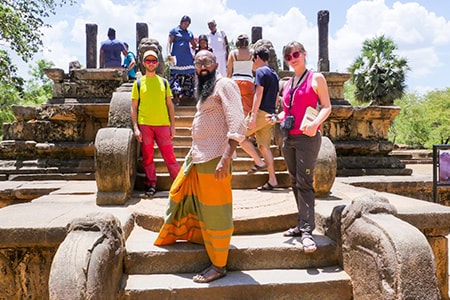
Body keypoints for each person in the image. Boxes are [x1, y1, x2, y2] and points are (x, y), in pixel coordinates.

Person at [154, 50, 246, 283]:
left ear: (216, 64)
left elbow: (237, 122)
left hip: (216, 158)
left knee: (217, 211)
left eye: (207, 62)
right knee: (182, 194)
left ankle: (219, 264)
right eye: (198, 63)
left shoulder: (224, 84)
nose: (202, 66)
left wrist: (226, 157)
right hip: (198, 156)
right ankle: (198, 236)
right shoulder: (206, 88)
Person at [273, 41, 331, 253]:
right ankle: (301, 223)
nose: (292, 59)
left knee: (305, 182)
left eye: (295, 54)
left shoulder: (316, 78)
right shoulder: (287, 83)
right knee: (295, 181)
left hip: (308, 138)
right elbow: (287, 112)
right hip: (289, 137)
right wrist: (276, 117)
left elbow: (327, 106)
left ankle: (307, 231)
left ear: (304, 54)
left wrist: (315, 124)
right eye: (288, 57)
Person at [130, 50, 180, 197]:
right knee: (147, 157)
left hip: (163, 124)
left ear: (157, 63)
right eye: (148, 61)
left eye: (153, 61)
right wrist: (135, 128)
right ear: (143, 64)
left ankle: (178, 183)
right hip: (145, 124)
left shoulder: (164, 82)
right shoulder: (138, 83)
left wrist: (173, 125)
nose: (151, 63)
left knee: (169, 156)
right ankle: (150, 184)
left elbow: (170, 105)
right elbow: (133, 107)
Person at [240, 47, 279, 191]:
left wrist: (254, 115)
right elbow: (276, 96)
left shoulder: (261, 72)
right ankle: (273, 180)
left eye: (253, 60)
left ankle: (258, 161)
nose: (253, 63)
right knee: (264, 147)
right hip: (270, 115)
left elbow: (259, 93)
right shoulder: (274, 74)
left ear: (257, 57)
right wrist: (274, 112)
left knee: (238, 134)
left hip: (261, 113)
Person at [167, 15, 197, 104]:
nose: (186, 25)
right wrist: (168, 53)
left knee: (190, 75)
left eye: (188, 24)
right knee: (175, 77)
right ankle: (176, 97)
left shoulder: (189, 33)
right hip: (176, 58)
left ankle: (185, 96)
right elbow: (169, 43)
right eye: (185, 23)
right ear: (181, 22)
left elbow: (194, 44)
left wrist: (196, 49)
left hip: (187, 58)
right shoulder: (174, 31)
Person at [226, 34, 254, 117]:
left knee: (234, 107)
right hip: (248, 81)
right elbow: (255, 68)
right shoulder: (252, 52)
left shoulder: (233, 53)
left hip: (235, 81)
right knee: (248, 108)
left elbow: (229, 72)